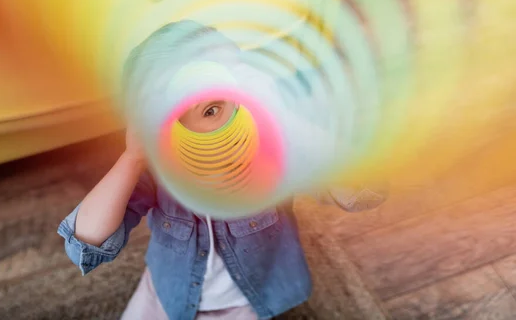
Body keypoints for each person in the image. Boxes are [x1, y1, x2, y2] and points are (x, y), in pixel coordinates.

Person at [57, 22, 387, 320]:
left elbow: (359, 190)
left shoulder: (273, 153)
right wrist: (131, 159)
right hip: (167, 292)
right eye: (212, 108)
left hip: (247, 301)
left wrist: (287, 120)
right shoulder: (160, 170)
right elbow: (85, 243)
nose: (236, 108)